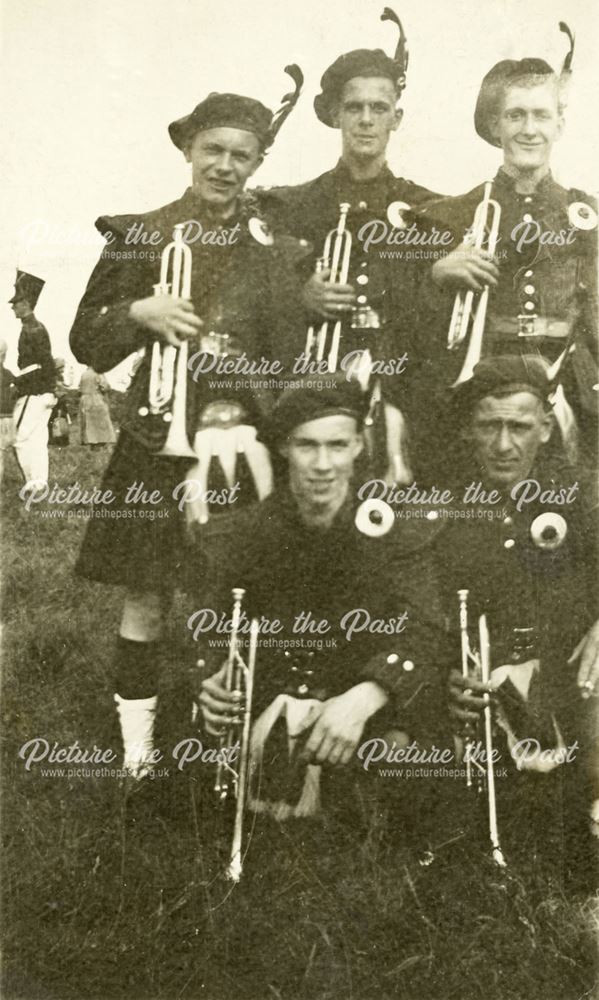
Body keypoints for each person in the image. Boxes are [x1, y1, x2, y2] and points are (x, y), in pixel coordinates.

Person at [69, 75, 305, 778]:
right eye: (214, 150)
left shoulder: (271, 244)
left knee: (238, 590)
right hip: (153, 442)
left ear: (257, 164)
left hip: (239, 446)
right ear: (189, 151)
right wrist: (139, 312)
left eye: (242, 155)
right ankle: (138, 750)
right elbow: (86, 339)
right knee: (146, 596)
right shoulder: (142, 233)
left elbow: (286, 346)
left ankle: (229, 741)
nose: (225, 166)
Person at [196, 377, 448, 822]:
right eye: (307, 446)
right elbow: (216, 633)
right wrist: (211, 682)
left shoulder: (394, 528)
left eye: (337, 445)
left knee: (410, 766)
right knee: (188, 780)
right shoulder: (242, 534)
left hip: (363, 704)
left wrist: (367, 695)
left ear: (358, 446)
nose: (323, 464)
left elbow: (424, 628)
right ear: (283, 449)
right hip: (275, 694)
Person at [261, 8, 442, 481]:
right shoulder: (288, 205)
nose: (366, 120)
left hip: (400, 395)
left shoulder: (429, 209)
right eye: (354, 108)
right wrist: (299, 295)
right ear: (336, 115)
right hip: (313, 396)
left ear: (396, 118)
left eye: (378, 108)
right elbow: (251, 288)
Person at [415, 23, 598, 477]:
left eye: (541, 115)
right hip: (484, 395)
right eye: (515, 115)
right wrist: (434, 276)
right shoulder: (450, 215)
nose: (529, 129)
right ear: (496, 125)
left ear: (560, 124)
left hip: (572, 391)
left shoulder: (589, 216)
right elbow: (408, 326)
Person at [439, 356, 598, 875]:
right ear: (468, 430)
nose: (504, 445)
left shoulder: (583, 495)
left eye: (520, 427)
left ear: (547, 428)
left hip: (572, 682)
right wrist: (446, 674)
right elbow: (421, 610)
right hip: (489, 694)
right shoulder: (445, 506)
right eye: (490, 426)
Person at [8, 270, 56, 495]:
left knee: (21, 436)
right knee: (38, 437)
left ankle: (32, 482)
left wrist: (16, 383)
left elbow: (35, 366)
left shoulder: (30, 330)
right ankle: (40, 482)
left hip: (33, 391)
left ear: (26, 303)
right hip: (43, 391)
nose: (13, 307)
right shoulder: (37, 327)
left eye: (16, 303)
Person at [78, 366, 116, 448]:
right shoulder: (98, 373)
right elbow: (104, 387)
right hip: (95, 398)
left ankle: (92, 442)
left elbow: (79, 388)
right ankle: (100, 443)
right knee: (100, 421)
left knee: (88, 422)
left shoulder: (84, 374)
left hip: (84, 399)